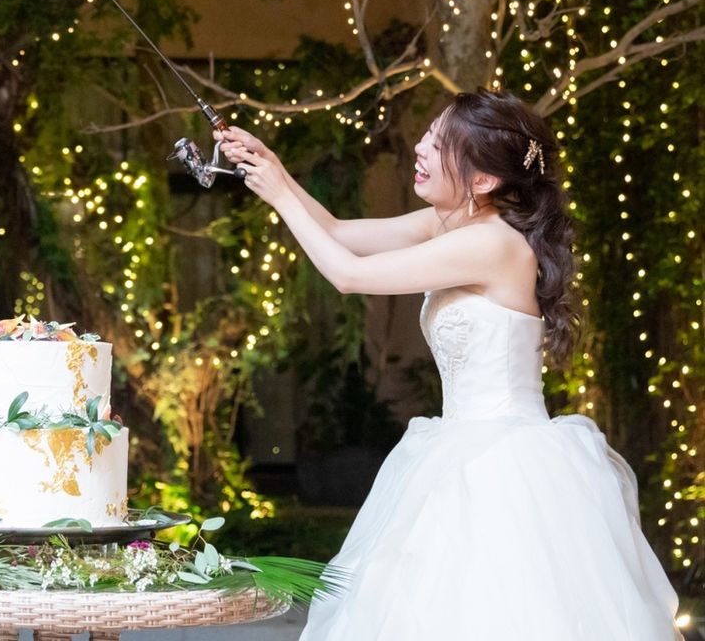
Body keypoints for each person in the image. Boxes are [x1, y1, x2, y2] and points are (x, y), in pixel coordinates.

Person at [218, 89, 684, 641]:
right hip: (456, 446)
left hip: (504, 461)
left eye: (439, 145)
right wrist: (273, 169)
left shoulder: (494, 244)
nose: (421, 147)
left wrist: (280, 196)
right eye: (429, 134)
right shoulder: (451, 224)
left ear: (483, 179)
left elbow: (348, 275)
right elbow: (341, 234)